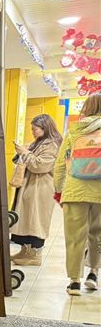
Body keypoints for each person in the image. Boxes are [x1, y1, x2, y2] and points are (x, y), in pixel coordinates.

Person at [54, 92, 101, 295]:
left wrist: (58, 188)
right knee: (97, 234)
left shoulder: (75, 130)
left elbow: (60, 164)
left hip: (75, 190)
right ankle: (93, 273)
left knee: (74, 237)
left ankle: (74, 281)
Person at [9, 115, 62, 266]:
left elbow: (40, 166)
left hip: (41, 188)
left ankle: (35, 256)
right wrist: (22, 152)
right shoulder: (39, 142)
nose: (32, 132)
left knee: (35, 221)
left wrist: (24, 153)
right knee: (26, 219)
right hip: (31, 187)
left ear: (45, 128)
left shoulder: (52, 145)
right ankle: (25, 251)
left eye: (35, 129)